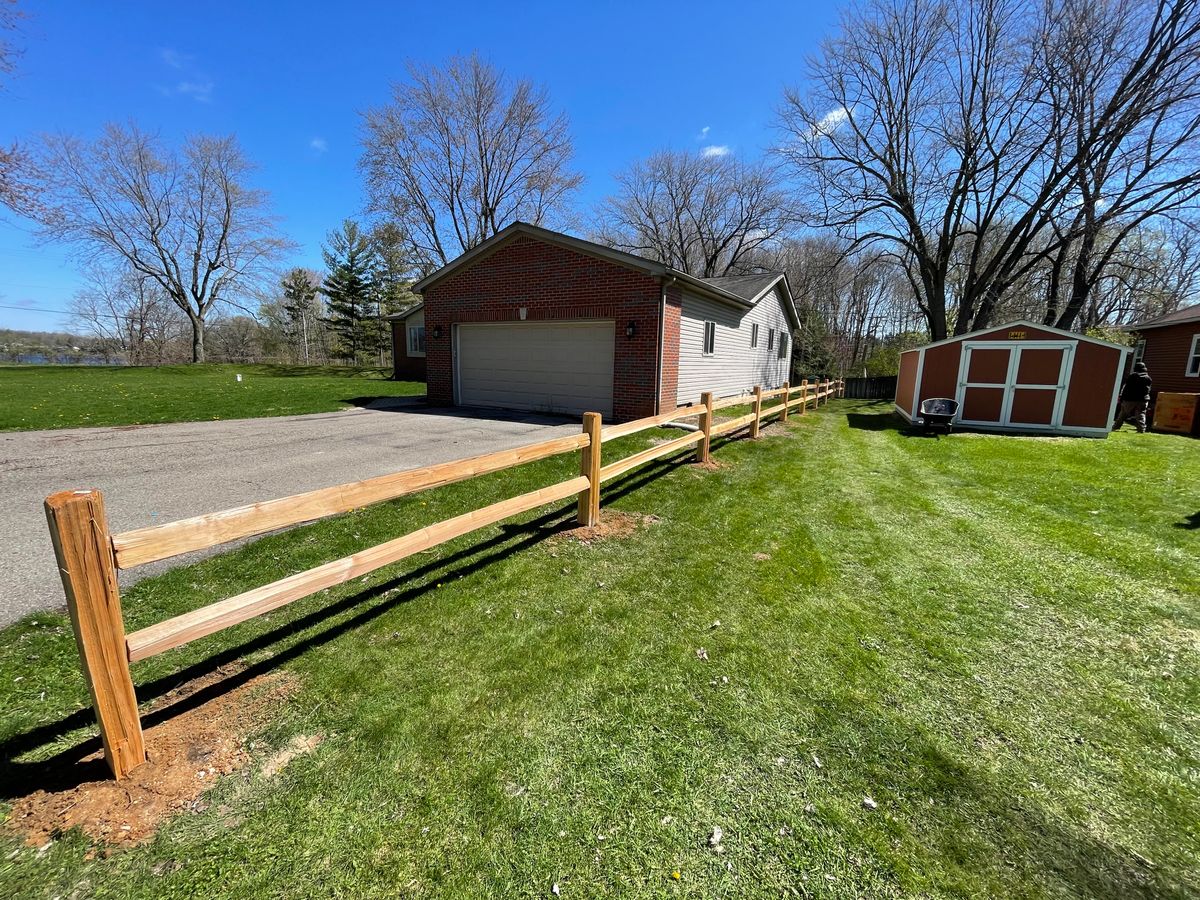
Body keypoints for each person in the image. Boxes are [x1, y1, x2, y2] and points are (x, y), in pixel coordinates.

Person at [1113, 361, 1153, 433]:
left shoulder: (1132, 376)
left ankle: (1116, 427)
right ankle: (1141, 429)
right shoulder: (1148, 378)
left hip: (1130, 399)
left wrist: (1121, 398)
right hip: (1143, 399)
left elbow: (1126, 388)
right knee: (1141, 414)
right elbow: (1148, 390)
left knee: (1123, 413)